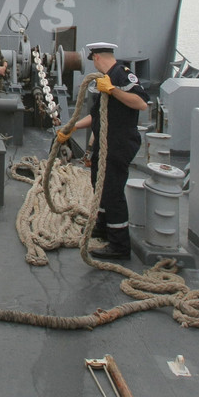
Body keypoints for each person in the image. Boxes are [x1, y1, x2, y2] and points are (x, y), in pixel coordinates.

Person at [58, 41, 148, 260]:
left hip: (119, 144)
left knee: (112, 191)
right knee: (98, 185)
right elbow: (97, 116)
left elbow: (141, 103)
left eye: (93, 61)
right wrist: (71, 127)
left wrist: (113, 90)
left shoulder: (121, 75)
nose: (94, 65)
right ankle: (103, 227)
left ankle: (119, 245)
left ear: (97, 57)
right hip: (104, 143)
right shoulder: (103, 80)